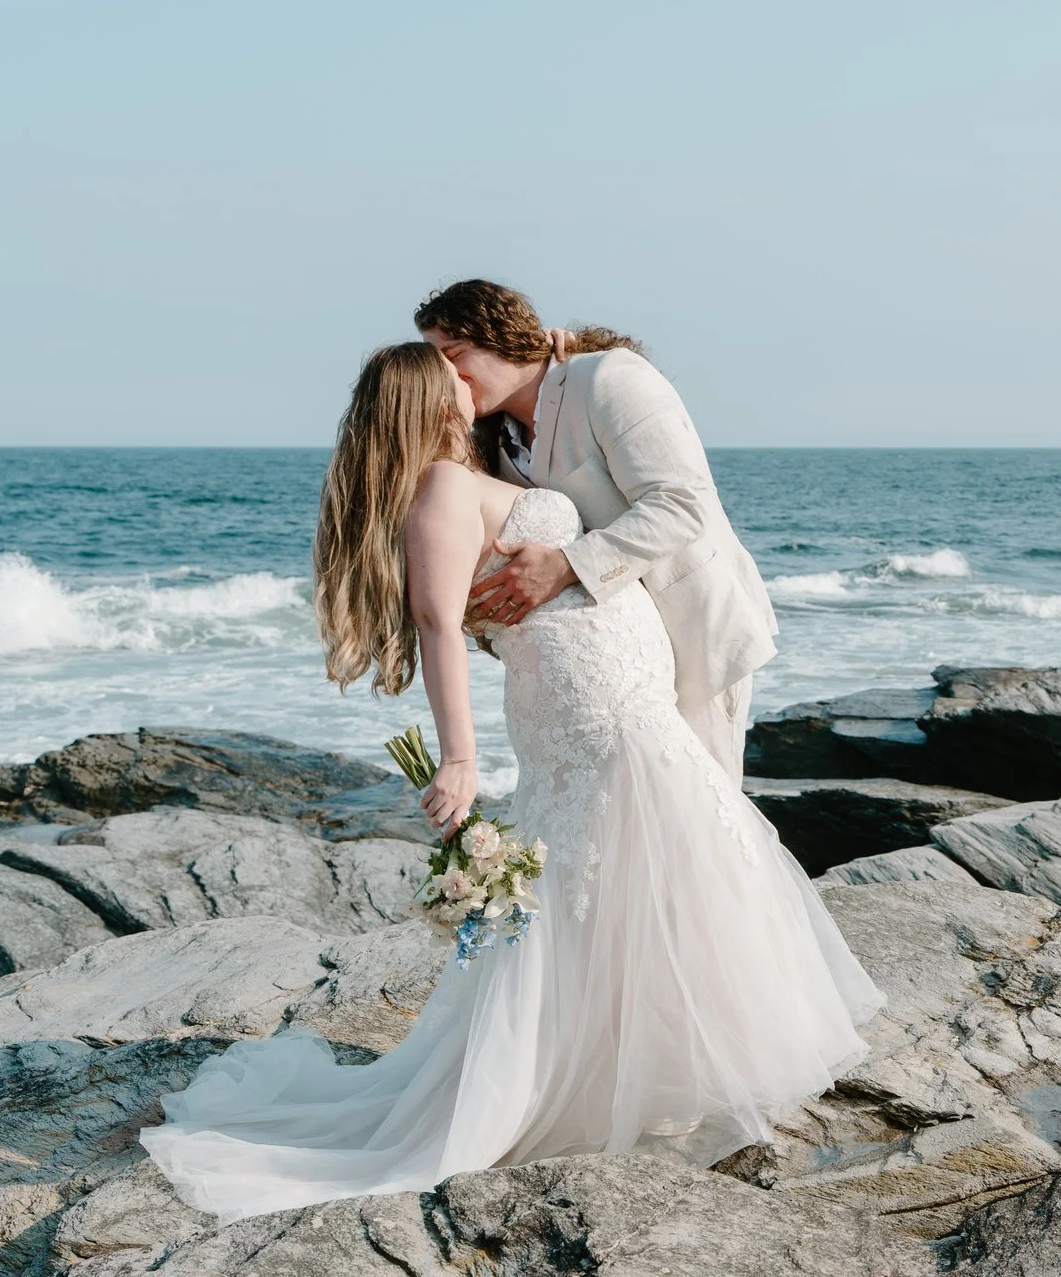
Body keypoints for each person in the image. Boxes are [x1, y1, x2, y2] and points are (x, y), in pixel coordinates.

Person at [139, 343, 882, 1223]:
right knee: (628, 863)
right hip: (590, 704)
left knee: (643, 865)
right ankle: (608, 1073)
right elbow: (437, 624)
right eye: (447, 364)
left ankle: (646, 1060)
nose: (465, 371)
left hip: (609, 686)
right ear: (430, 394)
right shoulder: (443, 489)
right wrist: (460, 760)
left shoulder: (466, 471)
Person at [414, 279, 777, 782]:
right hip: (596, 678)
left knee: (697, 817)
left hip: (691, 636)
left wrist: (566, 566)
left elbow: (681, 503)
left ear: (497, 335)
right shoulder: (489, 444)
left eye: (453, 355)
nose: (446, 376)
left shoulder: (608, 378)